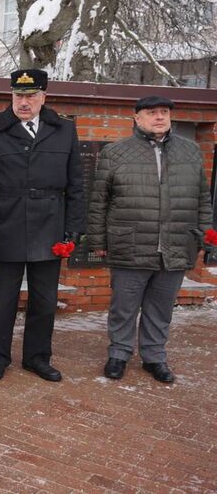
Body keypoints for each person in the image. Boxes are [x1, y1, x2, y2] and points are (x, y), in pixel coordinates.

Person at [88, 96, 212, 383]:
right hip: (129, 242)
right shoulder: (116, 153)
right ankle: (118, 354)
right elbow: (99, 201)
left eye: (164, 112)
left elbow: (202, 199)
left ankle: (154, 357)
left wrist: (206, 239)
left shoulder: (190, 151)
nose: (160, 117)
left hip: (176, 243)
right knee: (124, 306)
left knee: (161, 307)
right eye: (152, 112)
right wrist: (97, 241)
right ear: (137, 118)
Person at [0, 69, 84, 383]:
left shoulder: (64, 129)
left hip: (50, 225)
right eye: (19, 96)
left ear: (43, 97)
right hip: (6, 223)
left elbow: (76, 183)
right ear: (11, 96)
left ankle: (37, 358)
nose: (25, 102)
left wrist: (73, 228)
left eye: (31, 95)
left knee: (45, 300)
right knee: (1, 300)